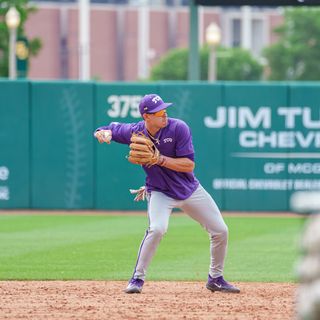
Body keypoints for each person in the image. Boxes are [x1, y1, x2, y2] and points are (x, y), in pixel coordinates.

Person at [94, 93, 240, 294]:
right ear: (147, 117)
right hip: (160, 192)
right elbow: (106, 129)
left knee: (220, 231)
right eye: (159, 112)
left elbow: (189, 164)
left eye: (165, 110)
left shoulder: (178, 128)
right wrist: (103, 134)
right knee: (157, 229)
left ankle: (215, 278)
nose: (165, 115)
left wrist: (159, 159)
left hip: (189, 190)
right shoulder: (136, 132)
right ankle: (137, 279)